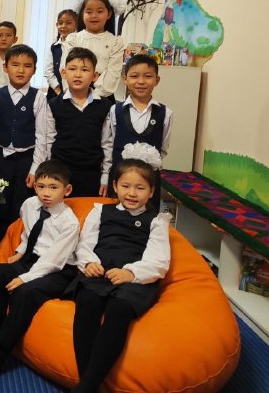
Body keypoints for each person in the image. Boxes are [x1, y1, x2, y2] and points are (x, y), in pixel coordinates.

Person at [0, 160, 79, 387]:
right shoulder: (29, 204)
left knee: (25, 293)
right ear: (34, 186)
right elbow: (29, 232)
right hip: (33, 259)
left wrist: (23, 278)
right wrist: (20, 251)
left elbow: (53, 260)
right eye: (41, 186)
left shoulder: (70, 222)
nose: (46, 193)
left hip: (59, 270)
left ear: (67, 190)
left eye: (53, 187)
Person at [70, 144, 171, 393]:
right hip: (100, 271)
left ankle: (86, 387)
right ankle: (88, 382)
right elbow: (84, 243)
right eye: (126, 186)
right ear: (115, 186)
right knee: (87, 301)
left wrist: (131, 273)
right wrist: (89, 262)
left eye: (140, 188)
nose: (132, 193)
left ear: (151, 191)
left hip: (134, 279)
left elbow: (159, 261)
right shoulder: (100, 211)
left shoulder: (156, 221)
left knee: (119, 309)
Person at [0, 44, 52, 243]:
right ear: (5, 67)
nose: (21, 70)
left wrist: (35, 168)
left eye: (27, 66)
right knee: (1, 203)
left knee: (22, 205)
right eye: (15, 65)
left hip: (26, 161)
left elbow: (42, 136)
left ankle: (19, 245)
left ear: (34, 70)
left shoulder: (39, 98)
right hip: (1, 159)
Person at [32, 47, 113, 197]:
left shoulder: (105, 106)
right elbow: (48, 140)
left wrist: (105, 175)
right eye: (72, 69)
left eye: (85, 70)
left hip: (92, 174)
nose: (78, 74)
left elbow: (107, 143)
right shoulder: (54, 105)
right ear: (63, 73)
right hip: (60, 174)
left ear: (95, 76)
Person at [102, 54, 172, 207]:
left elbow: (163, 149)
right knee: (116, 216)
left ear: (157, 80)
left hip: (148, 182)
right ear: (125, 79)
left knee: (148, 217)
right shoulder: (115, 110)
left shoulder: (165, 113)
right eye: (134, 76)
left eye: (148, 76)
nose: (141, 81)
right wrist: (105, 176)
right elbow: (108, 145)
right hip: (120, 180)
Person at [61, 0, 125, 100]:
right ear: (82, 14)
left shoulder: (115, 42)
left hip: (103, 97)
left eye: (100, 11)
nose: (94, 16)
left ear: (109, 14)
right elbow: (66, 67)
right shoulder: (73, 39)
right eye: (89, 12)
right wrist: (74, 93)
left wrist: (93, 97)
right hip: (74, 94)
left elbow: (113, 73)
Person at [44, 9, 78, 99]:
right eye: (60, 23)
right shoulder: (54, 47)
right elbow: (48, 71)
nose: (63, 26)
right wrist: (58, 90)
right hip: (56, 93)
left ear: (76, 25)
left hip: (77, 92)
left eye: (68, 23)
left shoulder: (80, 45)